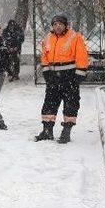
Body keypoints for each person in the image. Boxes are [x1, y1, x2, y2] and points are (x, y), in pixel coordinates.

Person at [35, 14, 89, 144]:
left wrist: (79, 75)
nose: (57, 26)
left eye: (60, 24)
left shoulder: (75, 37)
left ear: (65, 25)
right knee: (49, 103)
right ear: (52, 26)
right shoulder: (48, 38)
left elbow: (82, 56)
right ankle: (47, 130)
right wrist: (46, 72)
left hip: (69, 76)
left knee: (71, 103)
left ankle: (66, 132)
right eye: (55, 24)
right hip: (53, 77)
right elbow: (44, 57)